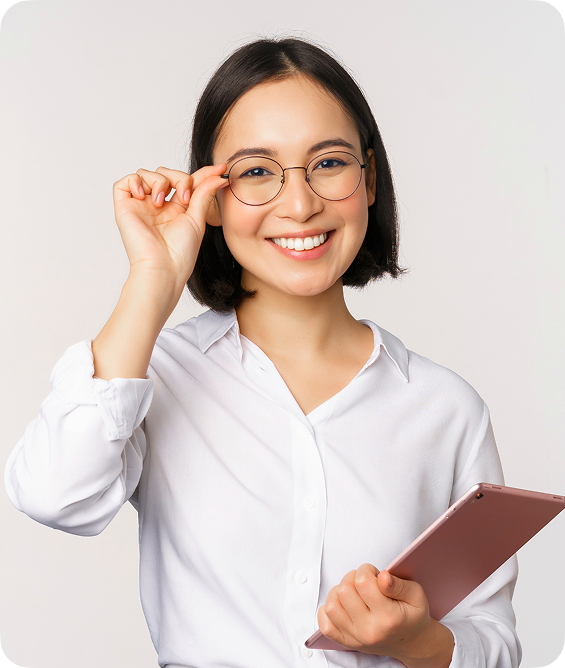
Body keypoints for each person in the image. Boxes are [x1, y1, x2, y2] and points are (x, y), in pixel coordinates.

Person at [4, 37, 520, 668]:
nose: (300, 205)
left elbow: (494, 642)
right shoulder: (154, 376)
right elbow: (54, 496)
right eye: (255, 172)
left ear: (371, 178)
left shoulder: (446, 408)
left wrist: (417, 641)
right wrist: (151, 280)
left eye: (329, 163)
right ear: (211, 197)